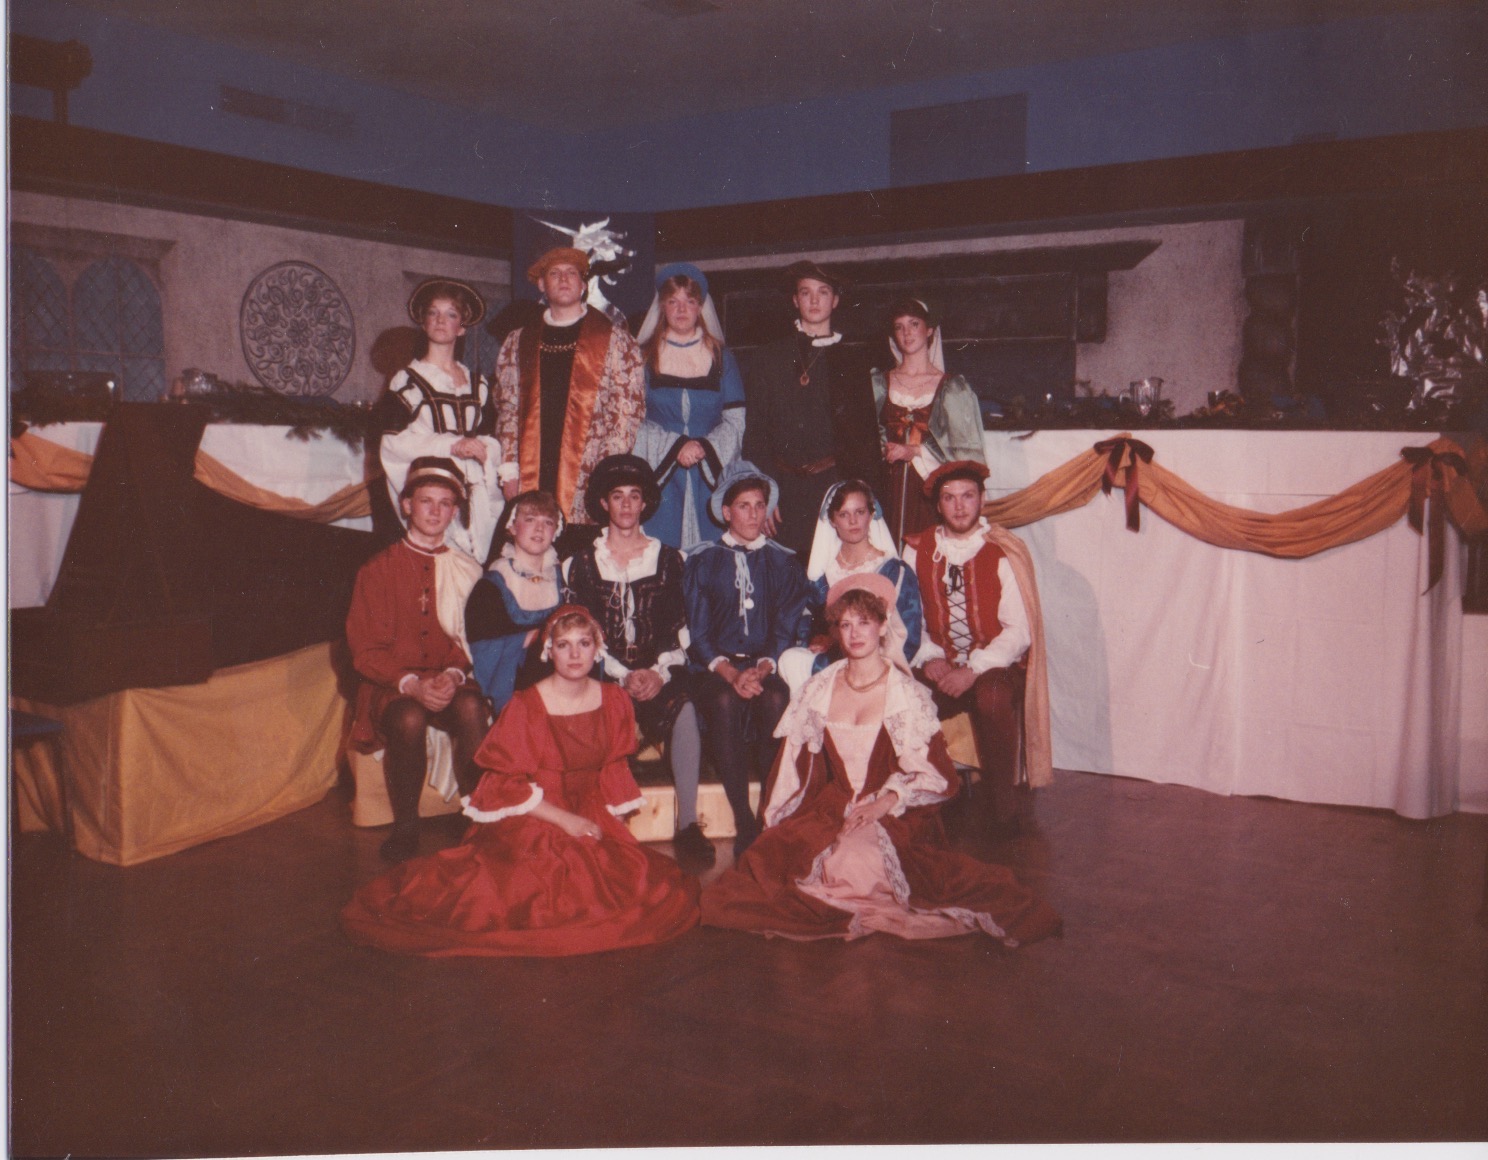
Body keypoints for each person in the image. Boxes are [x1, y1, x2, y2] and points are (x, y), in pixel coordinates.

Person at [700, 574, 1060, 946]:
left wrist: (885, 800)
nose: (855, 633)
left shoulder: (905, 694)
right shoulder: (819, 689)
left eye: (864, 622)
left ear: (883, 625)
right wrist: (776, 823)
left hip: (894, 812)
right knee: (765, 867)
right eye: (845, 625)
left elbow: (937, 775)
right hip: (833, 807)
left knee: (853, 864)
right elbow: (793, 767)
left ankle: (875, 900)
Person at [341, 606, 701, 957]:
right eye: (564, 645)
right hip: (538, 813)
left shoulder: (615, 699)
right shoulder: (527, 705)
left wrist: (612, 829)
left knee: (624, 882)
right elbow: (502, 786)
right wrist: (568, 821)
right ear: (549, 651)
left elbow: (613, 770)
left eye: (584, 643)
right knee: (541, 889)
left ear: (598, 649)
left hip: (590, 807)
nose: (575, 654)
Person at [562, 454, 715, 869]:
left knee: (684, 709)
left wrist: (657, 672)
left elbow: (683, 628)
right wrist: (623, 674)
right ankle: (607, 825)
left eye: (634, 496)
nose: (627, 504)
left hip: (659, 672)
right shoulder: (580, 563)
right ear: (604, 504)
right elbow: (581, 630)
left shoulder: (671, 559)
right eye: (618, 496)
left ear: (645, 503)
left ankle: (688, 824)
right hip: (604, 673)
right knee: (601, 713)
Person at [346, 457, 487, 863]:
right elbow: (365, 650)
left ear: (455, 512)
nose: (435, 511)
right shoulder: (378, 570)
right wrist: (411, 683)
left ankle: (479, 815)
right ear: (407, 505)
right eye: (426, 501)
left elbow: (472, 637)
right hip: (393, 684)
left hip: (449, 677)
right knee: (408, 717)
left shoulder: (467, 569)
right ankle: (406, 825)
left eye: (445, 503)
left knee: (471, 706)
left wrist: (454, 674)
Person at [903, 460, 1053, 834]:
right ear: (938, 505)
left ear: (982, 500)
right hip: (938, 660)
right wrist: (929, 656)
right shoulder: (917, 550)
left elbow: (1019, 631)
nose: (959, 506)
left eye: (967, 496)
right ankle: (929, 797)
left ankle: (1004, 809)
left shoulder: (1003, 551)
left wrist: (972, 670)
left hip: (994, 667)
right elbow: (907, 618)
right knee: (902, 694)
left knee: (992, 697)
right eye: (949, 498)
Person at [683, 460, 809, 856]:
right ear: (726, 512)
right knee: (724, 700)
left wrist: (763, 666)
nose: (753, 514)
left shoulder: (782, 562)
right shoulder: (703, 560)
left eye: (759, 505)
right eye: (743, 506)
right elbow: (698, 635)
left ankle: (767, 811)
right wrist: (730, 672)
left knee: (775, 697)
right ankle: (743, 821)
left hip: (762, 664)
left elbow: (786, 626)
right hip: (716, 667)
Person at [493, 246, 646, 537]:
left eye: (571, 273)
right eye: (554, 273)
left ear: (583, 284)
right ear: (541, 284)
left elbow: (626, 413)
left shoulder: (615, 340)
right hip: (531, 470)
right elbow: (508, 409)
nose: (564, 279)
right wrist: (509, 468)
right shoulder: (518, 341)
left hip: (589, 474)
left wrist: (606, 474)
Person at [741, 260, 884, 557]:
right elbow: (755, 434)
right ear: (795, 300)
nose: (814, 300)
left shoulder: (851, 361)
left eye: (823, 292)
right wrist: (764, 492)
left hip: (832, 488)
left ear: (835, 300)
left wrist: (856, 496)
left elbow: (864, 439)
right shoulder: (769, 358)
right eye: (806, 293)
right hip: (782, 492)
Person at [380, 279, 505, 561]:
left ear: (461, 327)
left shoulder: (478, 384)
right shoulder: (408, 381)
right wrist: (451, 445)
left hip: (475, 493)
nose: (440, 320)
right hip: (433, 492)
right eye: (433, 313)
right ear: (424, 323)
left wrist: (484, 449)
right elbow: (392, 443)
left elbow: (491, 436)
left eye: (450, 314)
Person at [631, 263, 747, 551]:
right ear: (662, 306)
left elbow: (735, 421)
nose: (681, 309)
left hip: (710, 474)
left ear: (700, 307)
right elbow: (631, 421)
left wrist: (703, 447)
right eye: (673, 301)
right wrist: (676, 447)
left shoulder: (722, 358)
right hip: (659, 474)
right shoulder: (643, 358)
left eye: (690, 301)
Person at [776, 478, 923, 695]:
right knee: (791, 660)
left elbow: (908, 635)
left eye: (860, 512)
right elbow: (809, 622)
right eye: (844, 514)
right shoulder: (821, 575)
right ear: (832, 520)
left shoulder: (894, 571)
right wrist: (819, 638)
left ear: (871, 515)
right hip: (833, 659)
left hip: (879, 662)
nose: (853, 521)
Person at [872, 297, 987, 548]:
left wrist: (916, 451)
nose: (907, 333)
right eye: (899, 326)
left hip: (929, 491)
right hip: (887, 489)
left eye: (914, 324)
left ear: (929, 331)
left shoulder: (953, 388)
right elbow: (865, 439)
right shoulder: (878, 384)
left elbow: (968, 454)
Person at [464, 490, 564, 716]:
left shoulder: (564, 578)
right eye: (530, 519)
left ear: (556, 531)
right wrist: (526, 639)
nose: (539, 529)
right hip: (516, 686)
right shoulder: (492, 585)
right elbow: (481, 652)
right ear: (512, 527)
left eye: (548, 522)